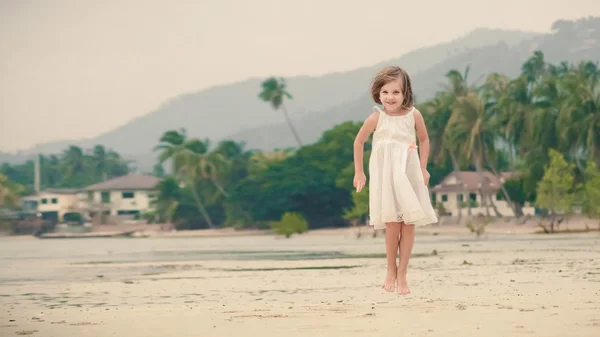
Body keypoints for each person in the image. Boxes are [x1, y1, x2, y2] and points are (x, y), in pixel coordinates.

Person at [353, 65, 438, 295]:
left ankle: (403, 274)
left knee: (408, 223)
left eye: (396, 92)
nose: (390, 97)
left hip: (409, 173)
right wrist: (359, 172)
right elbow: (358, 142)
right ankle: (390, 270)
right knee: (392, 223)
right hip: (386, 177)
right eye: (385, 92)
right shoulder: (376, 118)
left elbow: (424, 140)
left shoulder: (414, 115)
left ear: (405, 93)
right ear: (378, 94)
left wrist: (423, 167)